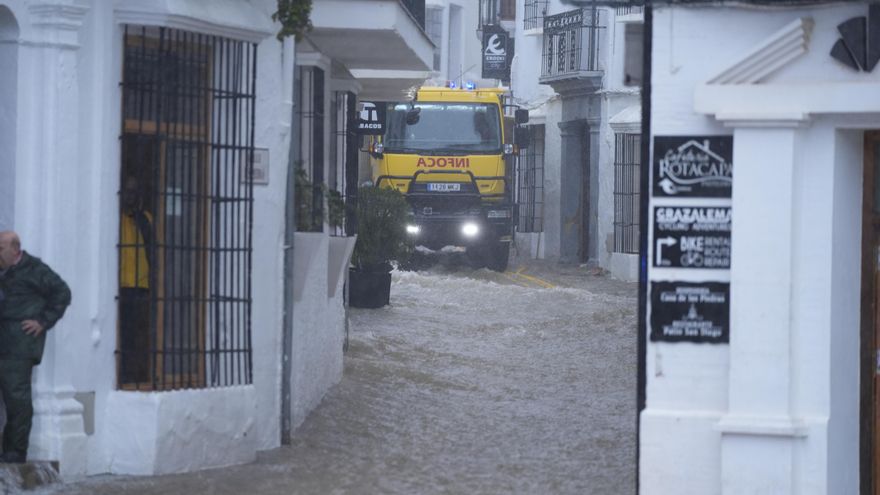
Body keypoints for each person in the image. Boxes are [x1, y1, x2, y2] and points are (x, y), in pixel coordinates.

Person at [0, 231, 71, 464]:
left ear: (15, 250)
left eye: (1, 249)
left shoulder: (35, 270)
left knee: (16, 397)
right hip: (3, 341)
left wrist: (43, 321)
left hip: (20, 345)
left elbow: (62, 292)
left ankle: (15, 452)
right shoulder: (4, 270)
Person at [119, 175, 153, 384]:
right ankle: (124, 375)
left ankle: (138, 375)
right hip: (122, 287)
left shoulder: (146, 218)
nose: (130, 196)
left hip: (142, 286)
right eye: (127, 191)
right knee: (124, 336)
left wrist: (138, 215)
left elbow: (152, 248)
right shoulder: (117, 218)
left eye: (134, 192)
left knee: (140, 337)